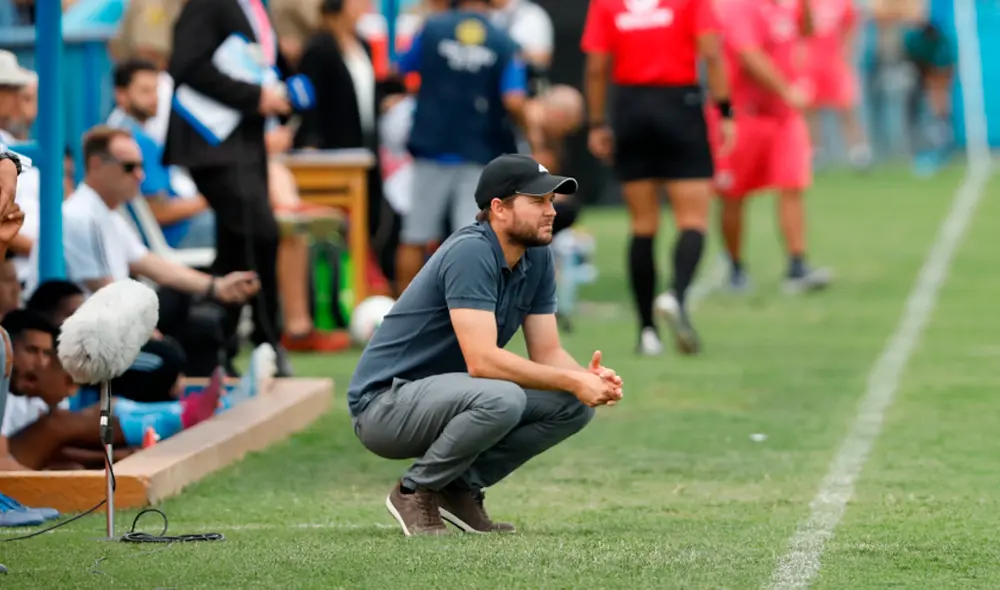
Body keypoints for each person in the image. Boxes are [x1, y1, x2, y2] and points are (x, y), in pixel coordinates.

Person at [348, 154, 623, 536]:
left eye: (551, 201)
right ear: (499, 208)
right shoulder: (472, 251)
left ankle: (457, 488)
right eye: (538, 201)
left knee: (570, 405)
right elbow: (482, 362)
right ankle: (415, 490)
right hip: (383, 407)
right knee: (501, 397)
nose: (551, 212)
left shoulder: (537, 254)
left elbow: (548, 352)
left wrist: (588, 380)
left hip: (452, 395)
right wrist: (572, 380)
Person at [25, 126, 260, 401]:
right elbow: (107, 294)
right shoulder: (81, 216)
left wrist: (217, 287)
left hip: (106, 327)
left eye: (141, 166)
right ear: (97, 165)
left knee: (188, 306)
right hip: (80, 344)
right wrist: (151, 335)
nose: (140, 175)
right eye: (130, 167)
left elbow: (154, 265)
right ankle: (170, 412)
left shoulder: (107, 215)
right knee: (165, 360)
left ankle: (214, 388)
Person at [581, 0, 734, 357]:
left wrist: (597, 123)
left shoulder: (607, 4)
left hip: (631, 108)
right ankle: (676, 295)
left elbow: (596, 67)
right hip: (678, 104)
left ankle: (647, 332)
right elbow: (712, 52)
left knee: (643, 224)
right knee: (693, 219)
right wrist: (725, 109)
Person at [163, 0, 293, 373]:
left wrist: (282, 92)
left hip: (246, 144)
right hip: (212, 142)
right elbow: (187, 65)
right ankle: (267, 339)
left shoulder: (256, 6)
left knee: (237, 244)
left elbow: (263, 63)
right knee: (261, 233)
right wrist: (255, 97)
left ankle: (218, 345)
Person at [392, 0, 528, 293]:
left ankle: (402, 316)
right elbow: (514, 98)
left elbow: (402, 66)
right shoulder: (504, 41)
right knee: (471, 241)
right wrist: (529, 130)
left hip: (431, 145)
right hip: (478, 150)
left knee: (415, 235)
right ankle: (466, 314)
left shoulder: (431, 28)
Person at [709, 0, 832, 294]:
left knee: (792, 185)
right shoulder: (742, 7)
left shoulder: (788, 5)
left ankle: (797, 264)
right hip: (743, 115)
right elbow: (748, 55)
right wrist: (787, 91)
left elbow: (806, 31)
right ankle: (736, 266)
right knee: (733, 196)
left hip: (783, 117)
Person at [295, 0, 405, 293]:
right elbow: (310, 102)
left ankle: (365, 286)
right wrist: (310, 141)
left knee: (373, 218)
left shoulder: (364, 45)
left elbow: (366, 90)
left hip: (366, 147)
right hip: (333, 151)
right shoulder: (319, 47)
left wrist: (388, 98)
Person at [806, 0, 871, 170]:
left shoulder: (843, 3)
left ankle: (859, 152)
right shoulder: (804, 3)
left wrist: (847, 52)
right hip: (810, 62)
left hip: (835, 62)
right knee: (810, 108)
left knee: (847, 106)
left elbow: (851, 27)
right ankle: (814, 152)